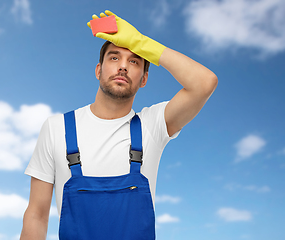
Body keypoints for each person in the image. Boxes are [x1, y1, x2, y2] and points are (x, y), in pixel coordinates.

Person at [20, 10, 217, 240]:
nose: (123, 66)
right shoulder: (56, 128)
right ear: (98, 70)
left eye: (134, 61)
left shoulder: (152, 126)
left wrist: (141, 42)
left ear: (144, 79)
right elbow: (37, 214)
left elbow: (204, 83)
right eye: (114, 58)